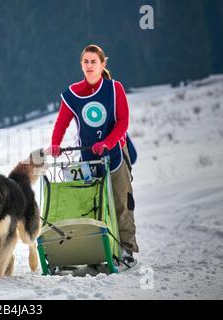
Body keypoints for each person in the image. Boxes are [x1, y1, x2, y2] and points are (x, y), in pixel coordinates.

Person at [46, 44, 139, 261]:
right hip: (88, 157)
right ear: (81, 65)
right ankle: (97, 247)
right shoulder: (73, 94)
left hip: (114, 154)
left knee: (121, 202)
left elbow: (123, 121)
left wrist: (107, 142)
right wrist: (55, 144)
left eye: (93, 62)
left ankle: (127, 248)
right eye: (85, 62)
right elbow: (62, 122)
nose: (89, 66)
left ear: (102, 64)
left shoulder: (114, 89)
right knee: (92, 205)